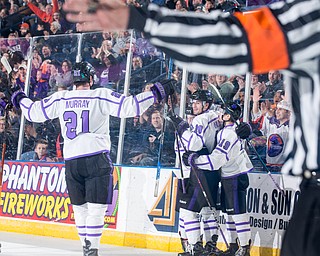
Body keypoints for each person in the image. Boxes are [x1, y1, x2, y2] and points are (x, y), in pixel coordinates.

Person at [63, 1, 320, 256]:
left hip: (298, 195)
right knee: (205, 212)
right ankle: (206, 245)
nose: (195, 105)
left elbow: (232, 40)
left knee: (216, 211)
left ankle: (224, 246)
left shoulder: (311, 17)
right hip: (218, 173)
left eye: (199, 102)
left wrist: (142, 19)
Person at [10, 61, 175, 256]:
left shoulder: (62, 97)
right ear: (90, 79)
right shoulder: (100, 95)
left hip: (72, 162)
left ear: (73, 80)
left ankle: (85, 248)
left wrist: (19, 98)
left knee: (80, 209)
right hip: (96, 158)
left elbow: (33, 112)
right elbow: (131, 107)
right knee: (96, 209)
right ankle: (93, 249)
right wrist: (156, 92)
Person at [183, 102, 253, 256]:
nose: (219, 113)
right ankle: (234, 247)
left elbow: (216, 161)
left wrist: (194, 160)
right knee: (230, 213)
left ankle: (244, 250)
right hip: (229, 177)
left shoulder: (229, 134)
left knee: (238, 213)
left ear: (228, 116)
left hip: (235, 176)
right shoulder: (226, 130)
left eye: (223, 111)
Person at [167, 90, 222, 256]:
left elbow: (196, 144)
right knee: (208, 209)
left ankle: (195, 247)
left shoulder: (201, 119)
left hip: (199, 170)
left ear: (206, 104)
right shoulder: (215, 116)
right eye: (194, 102)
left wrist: (182, 128)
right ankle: (210, 246)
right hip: (212, 170)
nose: (194, 105)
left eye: (198, 102)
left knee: (189, 210)